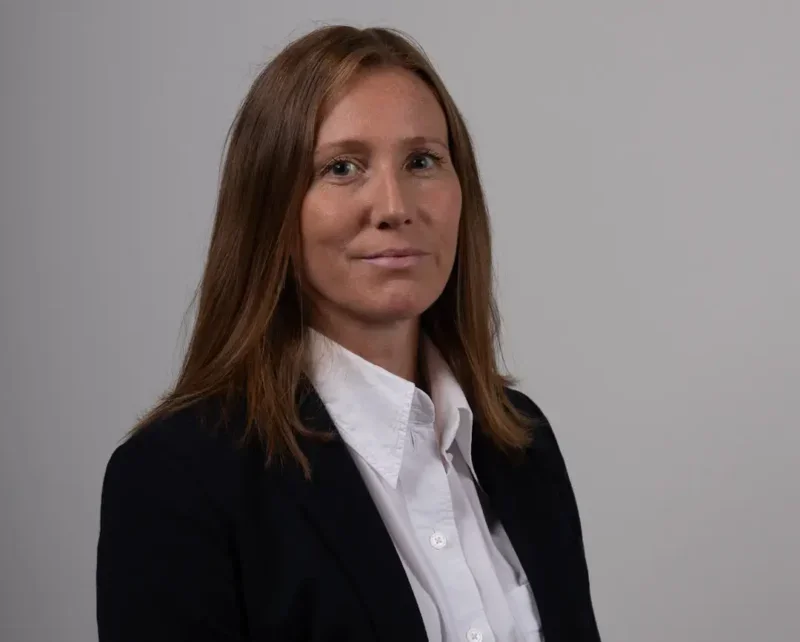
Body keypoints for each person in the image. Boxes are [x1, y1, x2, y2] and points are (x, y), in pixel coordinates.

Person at [96, 24, 601, 642]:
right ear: (271, 208)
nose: (393, 204)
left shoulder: (522, 444)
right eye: (342, 167)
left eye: (422, 161)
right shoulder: (176, 481)